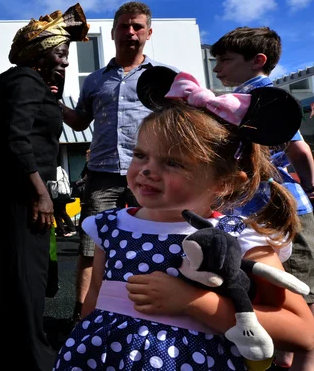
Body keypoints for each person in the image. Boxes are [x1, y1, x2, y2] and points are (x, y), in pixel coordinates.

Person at [54, 66, 314, 370]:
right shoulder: (110, 226)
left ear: (225, 182)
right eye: (140, 155)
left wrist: (193, 302)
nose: (147, 170)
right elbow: (95, 296)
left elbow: (303, 331)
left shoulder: (237, 237)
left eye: (173, 162)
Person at [0, 3, 89, 371]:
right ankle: (35, 358)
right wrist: (40, 193)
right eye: (61, 52)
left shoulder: (26, 83)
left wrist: (52, 95)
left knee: (18, 272)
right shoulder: (24, 81)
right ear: (40, 53)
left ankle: (19, 349)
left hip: (15, 192)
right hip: (20, 195)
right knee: (25, 273)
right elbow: (16, 140)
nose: (67, 61)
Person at [59, 1, 176, 322]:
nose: (131, 32)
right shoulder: (96, 80)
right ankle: (82, 317)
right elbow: (81, 121)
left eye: (137, 26)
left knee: (155, 244)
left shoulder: (165, 78)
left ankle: (148, 316)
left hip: (151, 176)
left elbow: (180, 122)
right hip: (102, 175)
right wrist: (52, 100)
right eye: (124, 26)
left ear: (149, 33)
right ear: (112, 33)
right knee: (90, 247)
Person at [211, 26, 314, 370]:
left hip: (274, 208)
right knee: (291, 289)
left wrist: (310, 187)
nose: (217, 69)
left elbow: (299, 148)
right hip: (272, 207)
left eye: (225, 60)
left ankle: (298, 358)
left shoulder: (262, 98)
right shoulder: (247, 99)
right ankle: (289, 358)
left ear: (258, 61)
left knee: (293, 288)